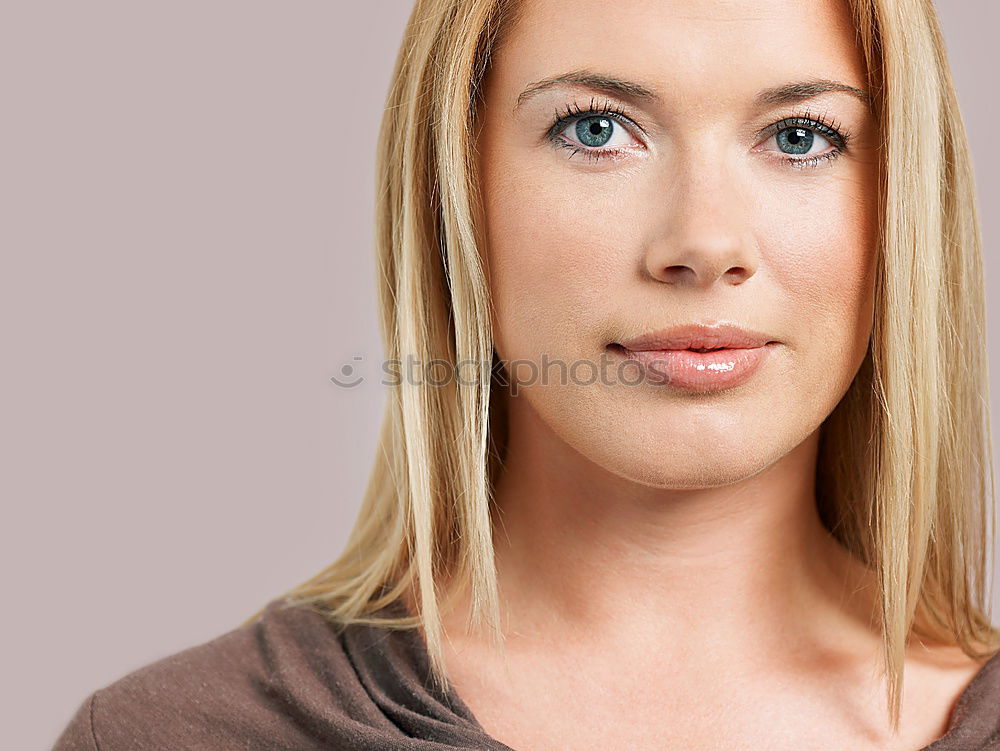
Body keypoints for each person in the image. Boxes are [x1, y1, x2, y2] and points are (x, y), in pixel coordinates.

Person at [53, 0, 1000, 749]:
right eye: (595, 128)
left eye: (801, 136)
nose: (705, 243)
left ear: (902, 199)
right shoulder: (171, 736)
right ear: (455, 188)